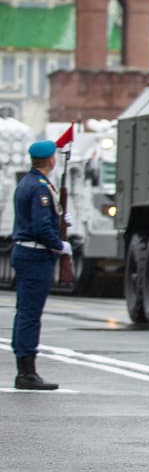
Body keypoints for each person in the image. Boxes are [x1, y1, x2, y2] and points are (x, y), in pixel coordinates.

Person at [10, 139, 72, 390]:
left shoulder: (29, 182)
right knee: (30, 315)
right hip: (36, 256)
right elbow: (40, 227)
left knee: (25, 312)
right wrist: (59, 244)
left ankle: (24, 369)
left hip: (26, 253)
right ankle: (27, 373)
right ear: (50, 160)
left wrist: (59, 217)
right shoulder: (40, 188)